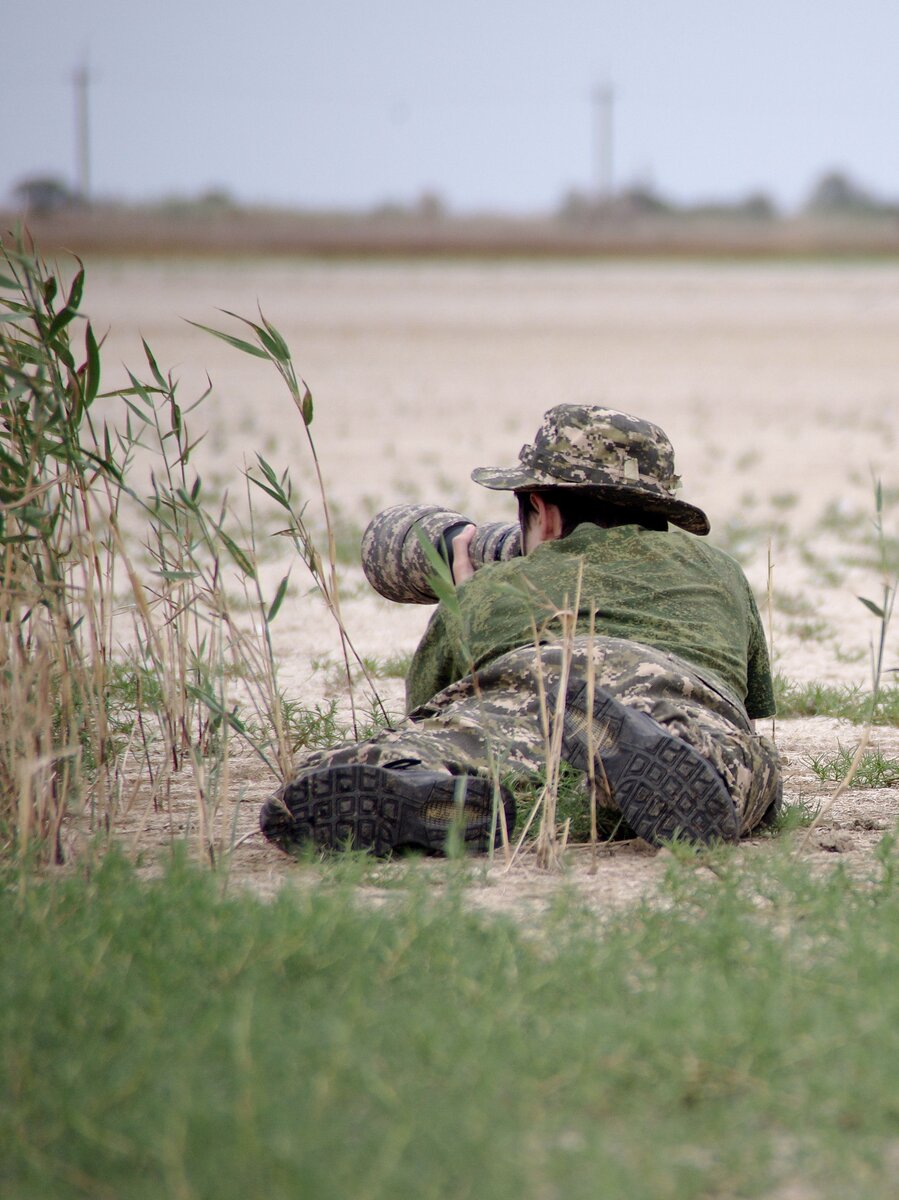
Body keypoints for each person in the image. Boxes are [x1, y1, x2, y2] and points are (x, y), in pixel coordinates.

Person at [260, 405, 782, 856]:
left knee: (405, 750)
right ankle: (673, 759)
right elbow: (748, 703)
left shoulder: (497, 586)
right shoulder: (720, 572)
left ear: (541, 511)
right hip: (669, 694)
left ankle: (419, 782)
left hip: (529, 687)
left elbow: (432, 701)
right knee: (736, 760)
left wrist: (466, 597)